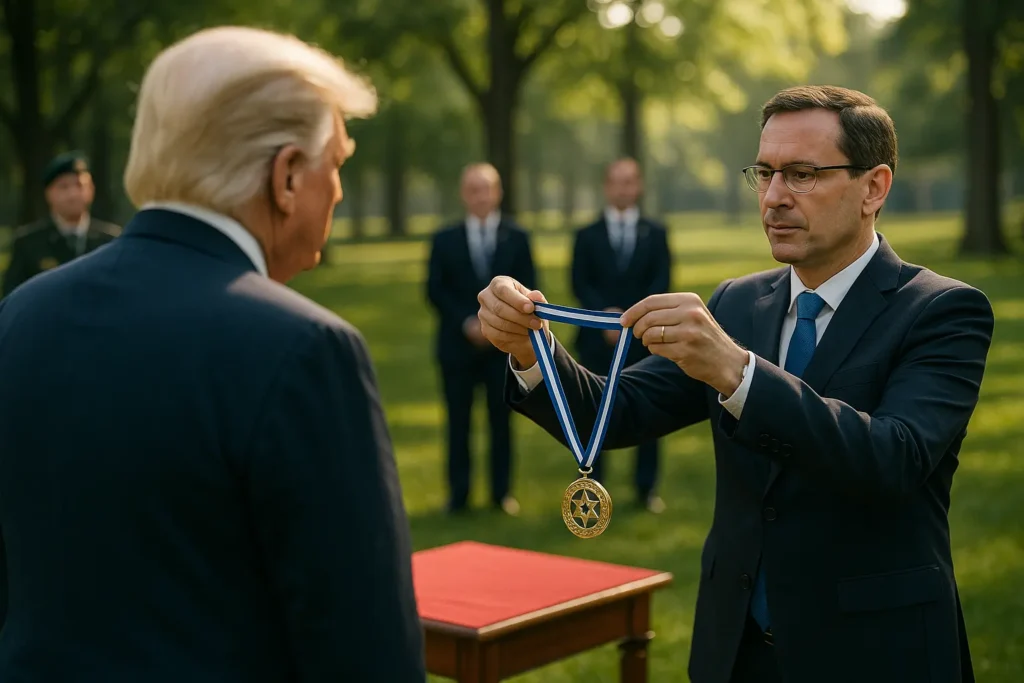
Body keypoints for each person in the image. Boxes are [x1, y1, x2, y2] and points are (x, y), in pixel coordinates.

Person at [477, 85, 993, 683]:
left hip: (874, 649)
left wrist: (738, 373)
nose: (774, 197)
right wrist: (528, 348)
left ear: (873, 188)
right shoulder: (739, 301)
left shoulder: (943, 310)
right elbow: (612, 414)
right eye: (765, 173)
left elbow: (892, 459)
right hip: (737, 649)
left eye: (802, 174)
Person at [0, 26, 425, 682]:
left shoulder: (19, 316)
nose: (338, 189)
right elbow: (366, 654)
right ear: (286, 176)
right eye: (336, 163)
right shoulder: (307, 351)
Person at [426, 163, 537, 515]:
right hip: (457, 347)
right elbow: (435, 289)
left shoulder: (517, 237)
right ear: (463, 194)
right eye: (473, 189)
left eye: (486, 189)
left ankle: (501, 493)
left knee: (500, 421)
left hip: (501, 348)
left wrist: (496, 325)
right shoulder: (443, 239)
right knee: (458, 422)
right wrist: (467, 322)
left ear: (498, 192)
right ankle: (458, 495)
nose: (480, 196)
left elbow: (528, 285)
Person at [570, 158, 671, 512]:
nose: (623, 189)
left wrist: (627, 321)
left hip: (642, 338)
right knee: (594, 411)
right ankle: (592, 486)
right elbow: (580, 282)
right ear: (606, 186)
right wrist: (605, 319)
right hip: (597, 339)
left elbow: (661, 282)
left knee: (647, 409)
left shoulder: (656, 233)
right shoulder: (586, 235)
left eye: (629, 182)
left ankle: (646, 489)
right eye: (616, 182)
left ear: (638, 186)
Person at [2, 151, 120, 298]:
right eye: (63, 187)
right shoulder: (28, 244)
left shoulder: (111, 241)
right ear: (49, 193)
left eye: (80, 185)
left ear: (91, 190)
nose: (73, 194)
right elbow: (12, 298)